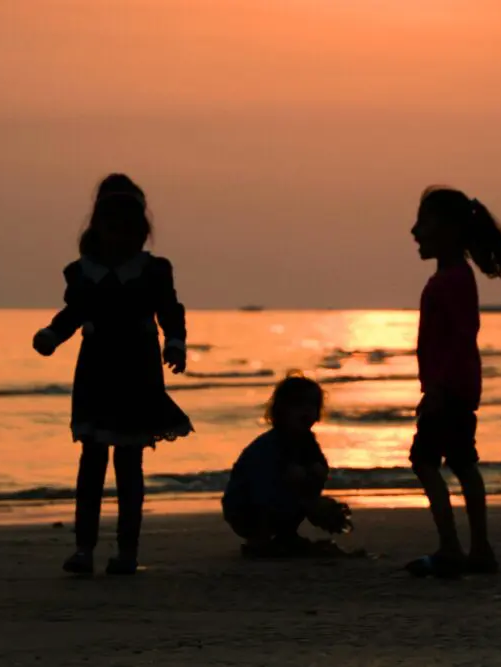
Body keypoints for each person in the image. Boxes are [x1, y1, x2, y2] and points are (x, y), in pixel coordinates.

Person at [32, 173, 193, 576]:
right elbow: (73, 313)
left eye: (127, 226)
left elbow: (170, 310)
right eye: (111, 225)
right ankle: (84, 548)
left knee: (128, 463)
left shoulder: (153, 271)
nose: (118, 234)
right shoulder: (83, 273)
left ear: (140, 231)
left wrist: (175, 342)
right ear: (98, 228)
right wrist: (52, 334)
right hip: (97, 366)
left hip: (137, 367)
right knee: (91, 459)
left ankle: (126, 551)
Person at [406, 186, 501, 578]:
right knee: (461, 462)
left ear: (449, 230)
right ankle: (478, 549)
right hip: (455, 387)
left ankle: (453, 548)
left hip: (449, 389)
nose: (414, 231)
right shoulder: (451, 276)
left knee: (425, 461)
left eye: (423, 223)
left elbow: (460, 338)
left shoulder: (453, 279)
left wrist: (437, 389)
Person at [222, 375, 352, 558]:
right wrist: (309, 502)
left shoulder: (307, 441)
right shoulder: (271, 444)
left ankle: (285, 535)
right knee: (296, 477)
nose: (307, 412)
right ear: (282, 410)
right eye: (299, 406)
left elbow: (318, 470)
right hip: (246, 508)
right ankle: (260, 541)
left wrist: (316, 490)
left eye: (312, 406)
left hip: (279, 500)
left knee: (311, 473)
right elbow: (259, 485)